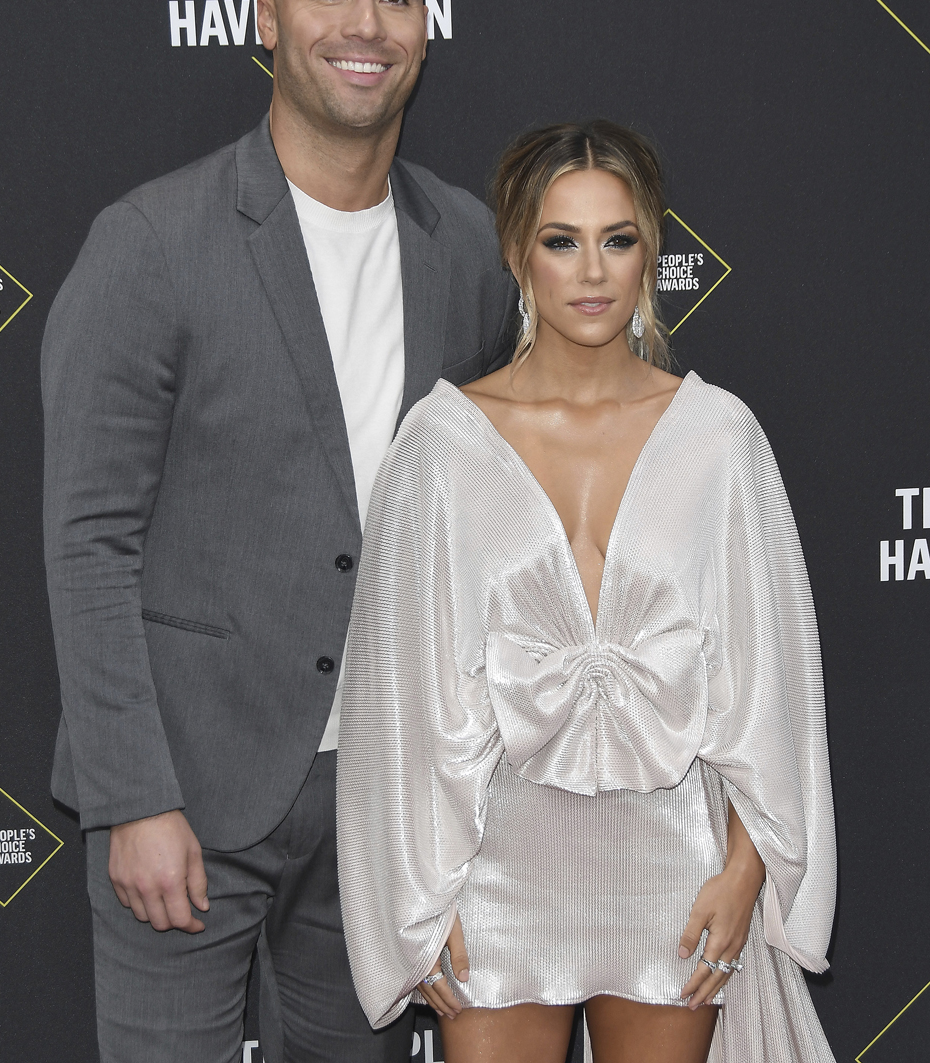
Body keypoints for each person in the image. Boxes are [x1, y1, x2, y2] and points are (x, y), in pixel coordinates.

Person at [41, 0, 516, 1063]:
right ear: (264, 20)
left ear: (424, 23)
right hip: (188, 792)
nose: (367, 25)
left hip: (382, 800)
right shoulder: (150, 242)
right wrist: (132, 798)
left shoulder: (462, 249)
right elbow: (86, 541)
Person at [336, 120, 837, 1062]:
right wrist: (415, 896)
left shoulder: (720, 438)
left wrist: (745, 870)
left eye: (619, 239)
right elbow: (394, 699)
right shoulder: (442, 445)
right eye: (562, 241)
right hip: (493, 873)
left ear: (650, 253)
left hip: (671, 873)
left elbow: (772, 683)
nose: (593, 270)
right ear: (520, 254)